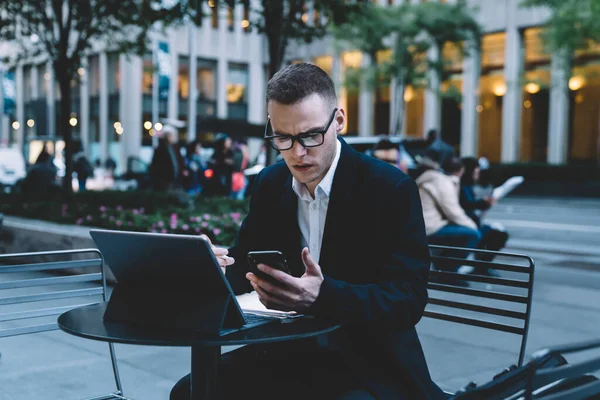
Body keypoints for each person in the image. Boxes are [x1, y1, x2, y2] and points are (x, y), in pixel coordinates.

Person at [170, 63, 444, 400]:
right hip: (286, 352)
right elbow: (247, 266)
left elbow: (408, 300)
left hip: (367, 360)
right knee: (190, 392)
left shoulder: (390, 189)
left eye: (310, 135)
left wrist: (322, 296)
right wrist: (213, 267)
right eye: (283, 138)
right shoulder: (271, 183)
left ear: (339, 121)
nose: (297, 153)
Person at [415, 153, 481, 275]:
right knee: (473, 235)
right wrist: (473, 227)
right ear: (461, 171)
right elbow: (453, 212)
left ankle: (443, 268)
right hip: (429, 228)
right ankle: (448, 272)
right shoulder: (442, 182)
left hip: (423, 226)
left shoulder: (434, 178)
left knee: (461, 233)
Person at [460, 157, 509, 273]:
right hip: (468, 225)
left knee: (497, 233)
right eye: (476, 171)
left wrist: (483, 204)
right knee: (499, 235)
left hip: (471, 223)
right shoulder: (463, 187)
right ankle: (481, 266)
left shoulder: (466, 186)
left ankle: (481, 265)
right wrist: (483, 203)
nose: (478, 173)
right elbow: (466, 206)